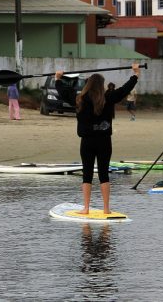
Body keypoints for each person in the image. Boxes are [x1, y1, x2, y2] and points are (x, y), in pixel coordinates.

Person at [58, 63, 139, 215]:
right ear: (101, 86)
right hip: (104, 142)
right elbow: (124, 90)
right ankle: (106, 209)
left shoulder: (80, 99)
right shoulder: (108, 97)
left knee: (87, 174)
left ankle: (86, 208)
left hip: (87, 142)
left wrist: (58, 79)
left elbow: (64, 93)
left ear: (88, 85)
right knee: (104, 174)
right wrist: (135, 74)